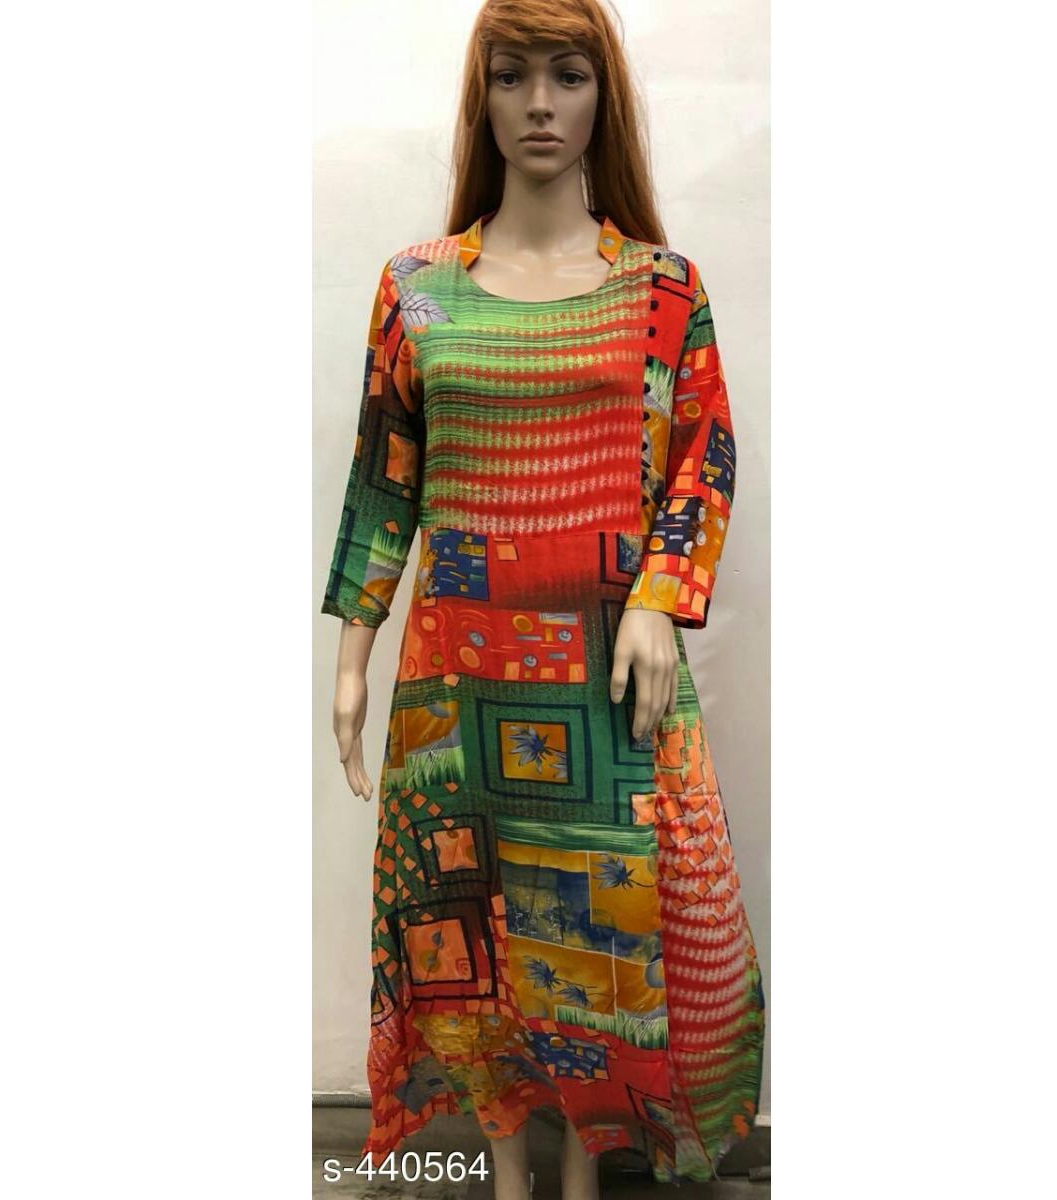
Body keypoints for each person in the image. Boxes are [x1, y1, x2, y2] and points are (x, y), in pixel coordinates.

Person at [321, 2, 765, 1195]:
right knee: (462, 932)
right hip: (455, 685)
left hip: (607, 679)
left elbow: (704, 460)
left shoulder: (662, 289)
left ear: (602, 95)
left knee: (602, 935)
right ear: (482, 97)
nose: (539, 105)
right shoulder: (417, 289)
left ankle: (587, 1167)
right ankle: (510, 1167)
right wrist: (354, 657)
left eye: (568, 76)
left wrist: (659, 599)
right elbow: (385, 478)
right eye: (512, 76)